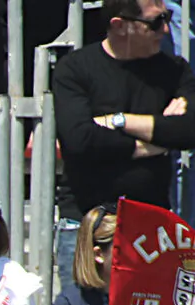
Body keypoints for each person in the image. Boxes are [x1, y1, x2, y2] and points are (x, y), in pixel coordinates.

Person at [51, 0, 195, 218]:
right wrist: (157, 143)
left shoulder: (174, 70)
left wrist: (120, 121)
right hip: (87, 220)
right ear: (119, 26)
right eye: (155, 22)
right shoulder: (75, 69)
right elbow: (80, 140)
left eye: (166, 18)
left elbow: (189, 130)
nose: (165, 30)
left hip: (150, 219)